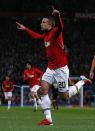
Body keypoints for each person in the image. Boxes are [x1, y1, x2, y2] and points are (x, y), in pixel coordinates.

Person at [16, 6, 92, 125]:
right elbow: (36, 36)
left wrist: (58, 15)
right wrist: (25, 28)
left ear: (50, 25)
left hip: (61, 70)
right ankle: (48, 119)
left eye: (43, 22)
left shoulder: (56, 32)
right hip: (50, 69)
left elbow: (61, 27)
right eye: (41, 22)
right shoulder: (45, 35)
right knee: (42, 91)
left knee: (65, 97)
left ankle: (82, 81)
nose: (41, 24)